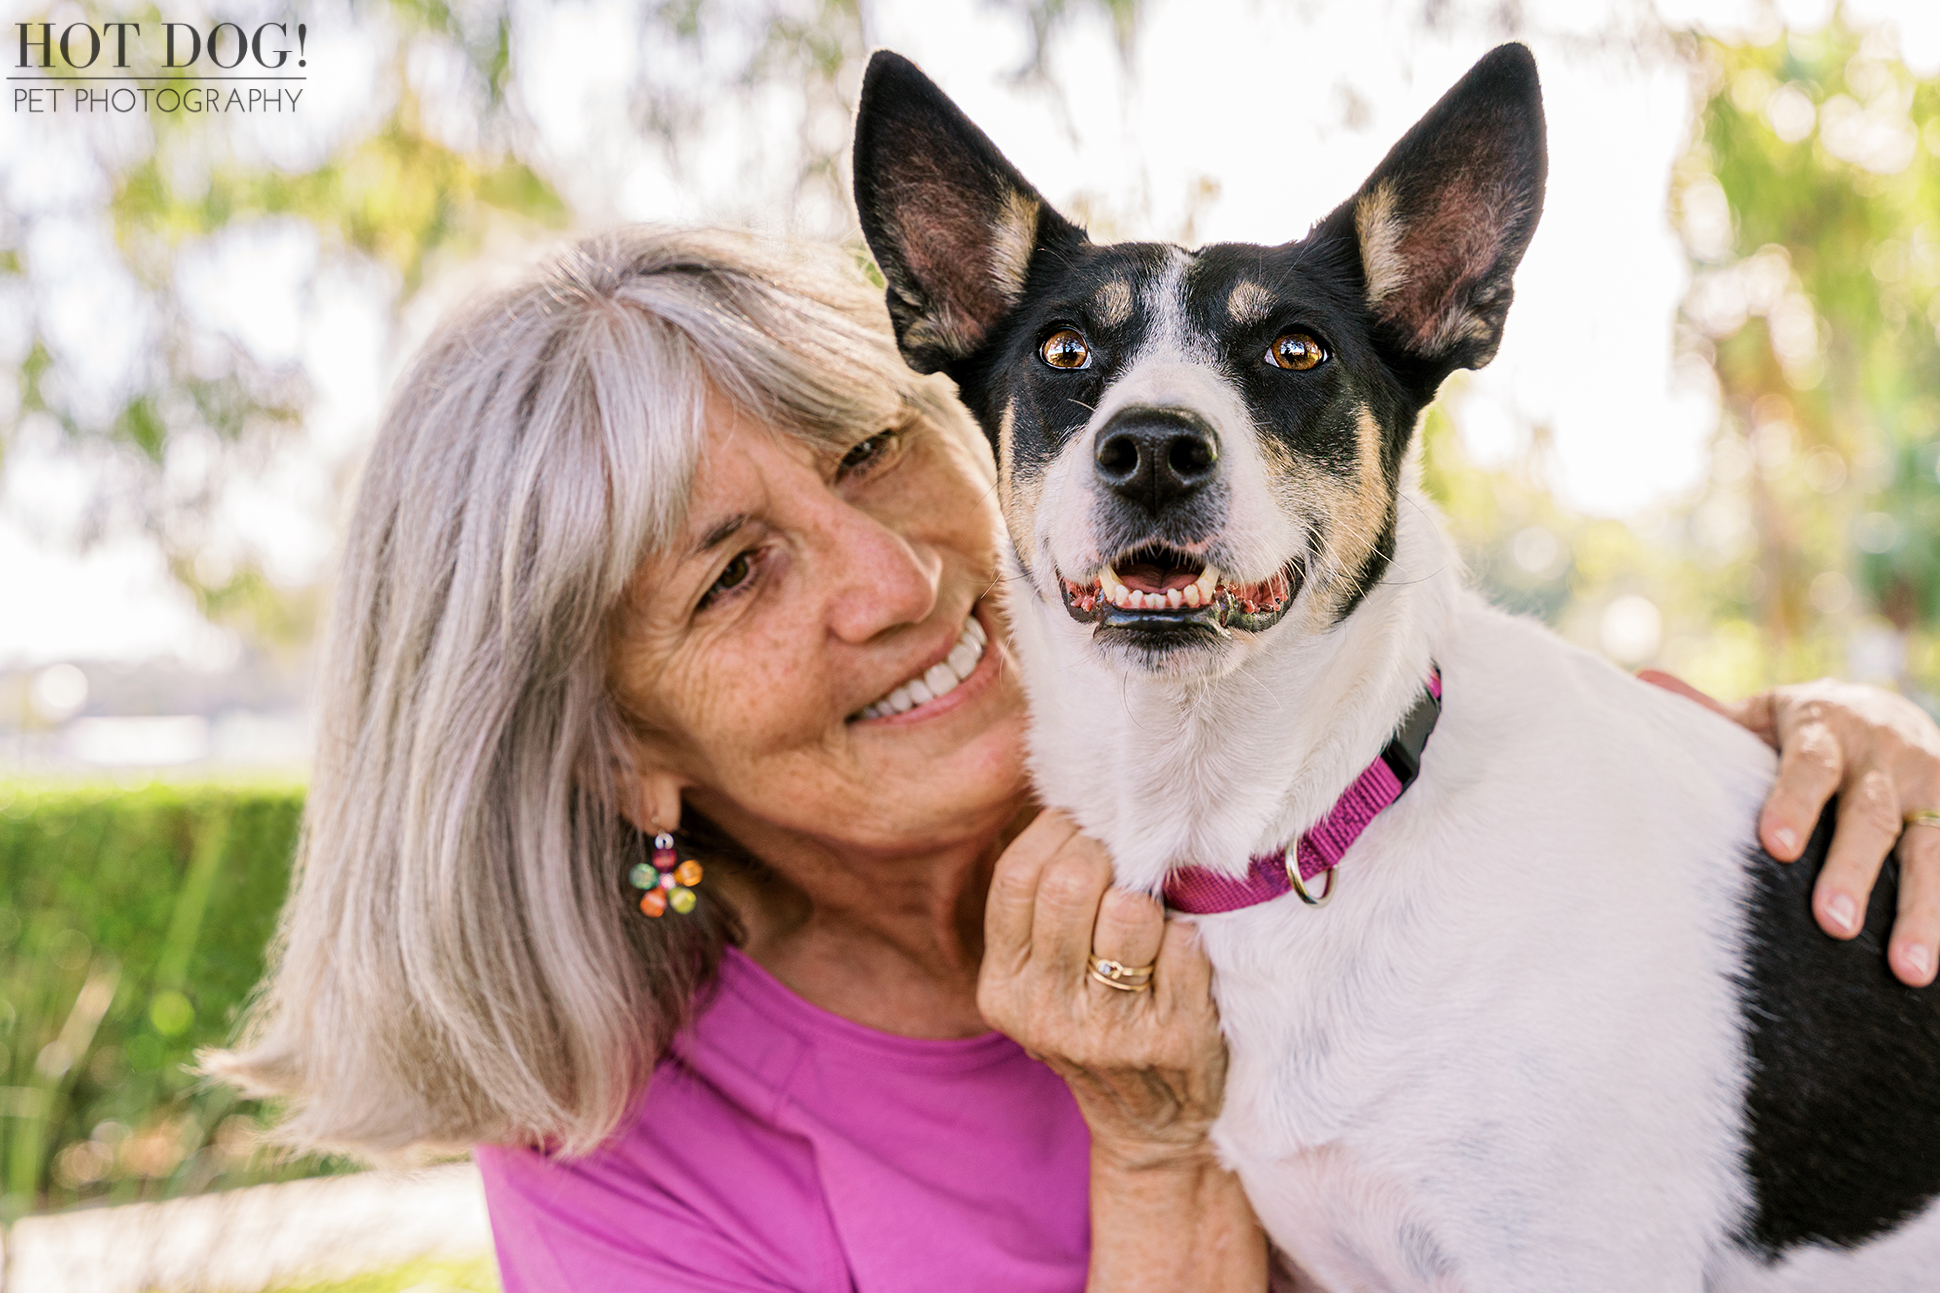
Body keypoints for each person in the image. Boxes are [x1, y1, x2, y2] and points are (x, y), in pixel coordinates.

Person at [210, 228, 1940, 1290]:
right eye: (733, 574)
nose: (894, 582)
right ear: (614, 757)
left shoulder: (1338, 749)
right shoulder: (639, 1170)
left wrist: (1860, 734)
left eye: (879, 450)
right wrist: (1157, 1146)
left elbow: (1718, 856)